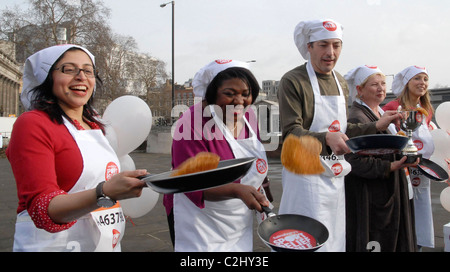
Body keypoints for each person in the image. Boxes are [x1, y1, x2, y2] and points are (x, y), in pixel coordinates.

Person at [6, 45, 148, 252]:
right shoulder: (33, 123)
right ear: (48, 77)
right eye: (69, 69)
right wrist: (104, 192)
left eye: (88, 70)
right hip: (54, 244)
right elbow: (42, 209)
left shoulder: (97, 125)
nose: (81, 77)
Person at [277, 19, 402, 252]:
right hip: (305, 177)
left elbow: (344, 130)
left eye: (336, 45)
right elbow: (291, 132)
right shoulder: (293, 81)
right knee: (306, 238)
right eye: (323, 45)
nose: (331, 53)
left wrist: (377, 126)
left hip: (335, 176)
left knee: (334, 239)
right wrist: (326, 138)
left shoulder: (341, 82)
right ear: (309, 46)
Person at [163, 60, 271, 251]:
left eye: (245, 94)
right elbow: (188, 182)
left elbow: (256, 160)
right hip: (199, 221)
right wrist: (237, 190)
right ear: (212, 93)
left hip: (236, 218)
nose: (239, 101)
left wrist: (265, 187)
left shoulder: (249, 117)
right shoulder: (191, 122)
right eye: (229, 94)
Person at [343, 65, 417, 252]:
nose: (381, 88)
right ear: (359, 90)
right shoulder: (357, 117)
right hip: (370, 197)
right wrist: (389, 166)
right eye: (374, 84)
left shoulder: (381, 113)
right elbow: (353, 161)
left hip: (388, 193)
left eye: (383, 84)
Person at [383, 66, 436, 250]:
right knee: (403, 218)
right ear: (407, 83)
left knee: (420, 215)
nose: (422, 83)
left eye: (425, 79)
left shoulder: (427, 109)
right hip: (401, 172)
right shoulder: (391, 108)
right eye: (417, 79)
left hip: (422, 173)